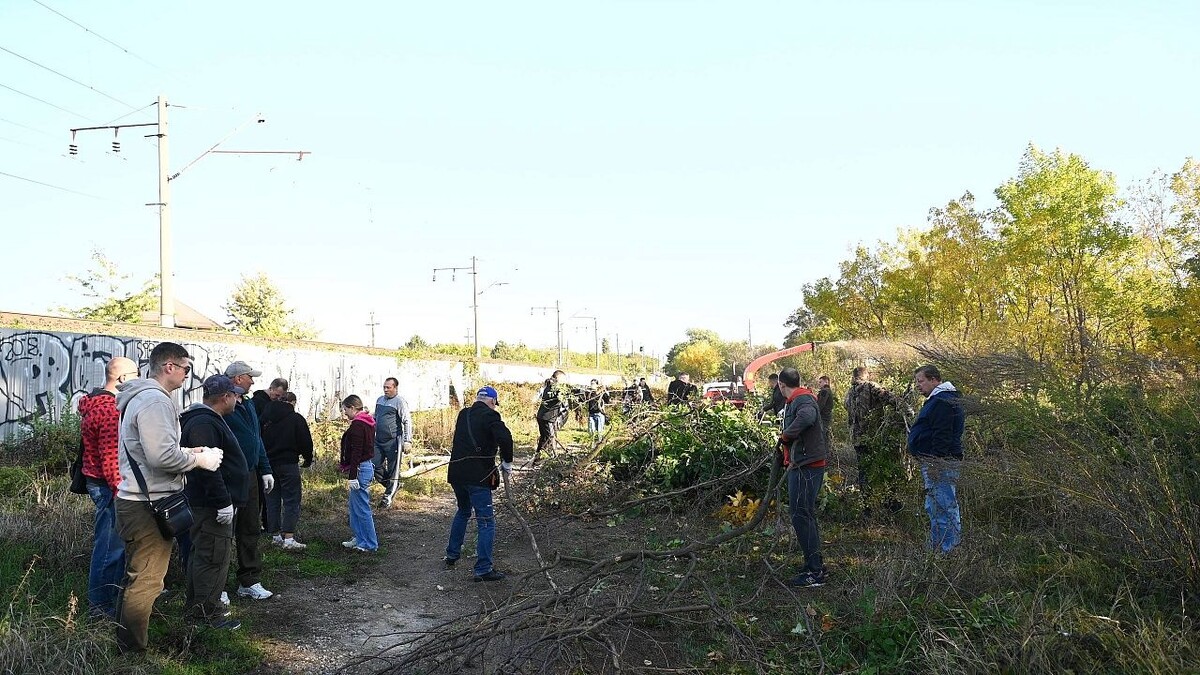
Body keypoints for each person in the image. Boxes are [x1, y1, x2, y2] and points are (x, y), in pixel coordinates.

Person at [113, 342, 224, 652]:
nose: (188, 375)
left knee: (138, 577)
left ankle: (125, 642)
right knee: (147, 581)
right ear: (169, 367)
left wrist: (187, 451)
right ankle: (132, 653)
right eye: (186, 368)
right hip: (147, 505)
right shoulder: (155, 401)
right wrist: (199, 460)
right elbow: (161, 457)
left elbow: (150, 450)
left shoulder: (143, 398)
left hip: (139, 499)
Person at [180, 375, 249, 630]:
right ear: (225, 397)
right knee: (212, 557)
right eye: (235, 395)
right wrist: (222, 502)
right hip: (210, 506)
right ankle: (205, 617)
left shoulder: (209, 419)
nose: (238, 400)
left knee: (205, 555)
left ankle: (198, 611)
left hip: (209, 503)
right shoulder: (203, 423)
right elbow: (207, 469)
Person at [79, 356, 138, 619]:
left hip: (100, 483)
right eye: (136, 374)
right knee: (110, 548)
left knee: (113, 545)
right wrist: (122, 493)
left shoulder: (97, 403)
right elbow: (112, 459)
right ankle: (100, 608)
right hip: (109, 486)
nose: (139, 378)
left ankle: (109, 599)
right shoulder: (109, 410)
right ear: (123, 378)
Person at [444, 386, 514, 582]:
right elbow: (505, 438)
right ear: (492, 401)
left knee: (463, 511)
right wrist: (507, 462)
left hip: (457, 473)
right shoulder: (491, 415)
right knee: (486, 521)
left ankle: (452, 554)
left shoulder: (463, 414)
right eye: (494, 404)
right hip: (478, 477)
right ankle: (483, 569)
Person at [223, 361, 275, 601]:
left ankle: (249, 580)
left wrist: (265, 469)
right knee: (223, 532)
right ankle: (217, 586)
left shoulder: (249, 404)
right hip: (228, 475)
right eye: (249, 377)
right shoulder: (222, 402)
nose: (252, 381)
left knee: (250, 528)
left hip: (251, 475)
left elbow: (257, 439)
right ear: (237, 379)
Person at [775, 368, 828, 588]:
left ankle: (814, 572)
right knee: (804, 514)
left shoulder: (802, 399)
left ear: (781, 385)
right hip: (803, 465)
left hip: (807, 467)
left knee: (800, 515)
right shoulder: (797, 399)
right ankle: (814, 564)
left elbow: (807, 417)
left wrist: (786, 436)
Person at [907, 365, 966, 553]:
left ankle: (948, 551)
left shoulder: (943, 401)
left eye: (921, 381)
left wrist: (935, 462)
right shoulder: (939, 399)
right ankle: (938, 548)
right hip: (936, 462)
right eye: (917, 382)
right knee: (935, 506)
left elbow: (943, 434)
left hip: (941, 463)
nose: (918, 385)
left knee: (943, 506)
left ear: (934, 380)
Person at [844, 366, 908, 513]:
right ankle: (890, 503)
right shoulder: (870, 386)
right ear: (866, 375)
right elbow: (889, 397)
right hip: (874, 437)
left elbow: (847, 407)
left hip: (857, 439)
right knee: (883, 468)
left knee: (864, 472)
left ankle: (866, 507)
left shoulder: (850, 392)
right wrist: (907, 409)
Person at [261, 391, 314, 550]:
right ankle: (289, 538)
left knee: (272, 500)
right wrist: (307, 458)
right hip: (288, 463)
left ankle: (275, 535)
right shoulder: (296, 419)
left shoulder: (265, 418)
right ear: (292, 402)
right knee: (291, 499)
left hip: (268, 465)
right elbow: (305, 441)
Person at [339, 395, 379, 552]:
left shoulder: (357, 425)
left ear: (352, 408)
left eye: (345, 409)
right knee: (354, 507)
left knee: (362, 508)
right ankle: (359, 538)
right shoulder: (368, 421)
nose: (344, 413)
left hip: (361, 468)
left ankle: (370, 543)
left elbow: (356, 451)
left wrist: (352, 475)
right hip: (364, 466)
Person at [373, 377, 413, 508]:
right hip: (378, 440)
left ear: (395, 388)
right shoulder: (380, 400)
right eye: (384, 387)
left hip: (394, 441)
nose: (385, 390)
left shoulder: (399, 402)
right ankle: (393, 485)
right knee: (374, 465)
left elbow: (407, 421)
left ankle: (387, 499)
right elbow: (375, 418)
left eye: (388, 387)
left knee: (393, 470)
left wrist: (408, 441)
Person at [535, 370, 568, 459]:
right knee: (551, 438)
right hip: (547, 418)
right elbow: (561, 395)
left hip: (543, 416)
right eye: (563, 380)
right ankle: (553, 457)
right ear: (558, 378)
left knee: (544, 438)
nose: (564, 382)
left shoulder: (549, 385)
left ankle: (538, 458)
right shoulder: (554, 388)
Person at [816, 375, 835, 451]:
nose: (819, 384)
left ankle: (823, 454)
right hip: (826, 417)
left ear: (826, 382)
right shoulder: (828, 391)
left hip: (823, 417)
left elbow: (820, 404)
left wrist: (815, 413)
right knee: (825, 437)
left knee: (822, 437)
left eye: (820, 382)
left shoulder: (825, 391)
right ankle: (826, 453)